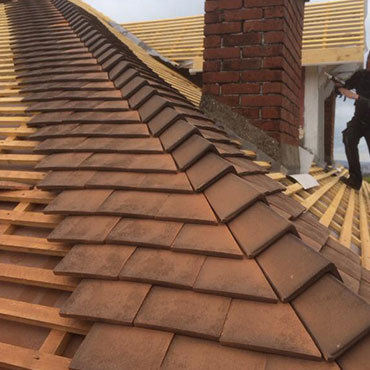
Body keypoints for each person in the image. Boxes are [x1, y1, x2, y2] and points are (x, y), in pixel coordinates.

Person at [336, 69, 370, 190]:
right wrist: (339, 86)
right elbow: (347, 85)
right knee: (348, 137)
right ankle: (355, 180)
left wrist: (357, 97)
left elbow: (357, 97)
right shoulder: (361, 75)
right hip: (359, 118)